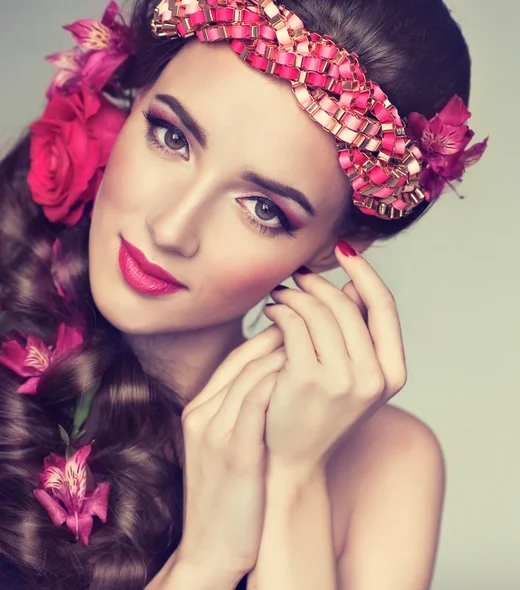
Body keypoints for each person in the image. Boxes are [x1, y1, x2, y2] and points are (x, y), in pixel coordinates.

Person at [0, 0, 487, 588]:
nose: (172, 228)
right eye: (171, 137)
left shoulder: (386, 463)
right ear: (136, 96)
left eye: (263, 209)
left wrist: (294, 479)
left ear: (338, 244)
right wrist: (205, 560)